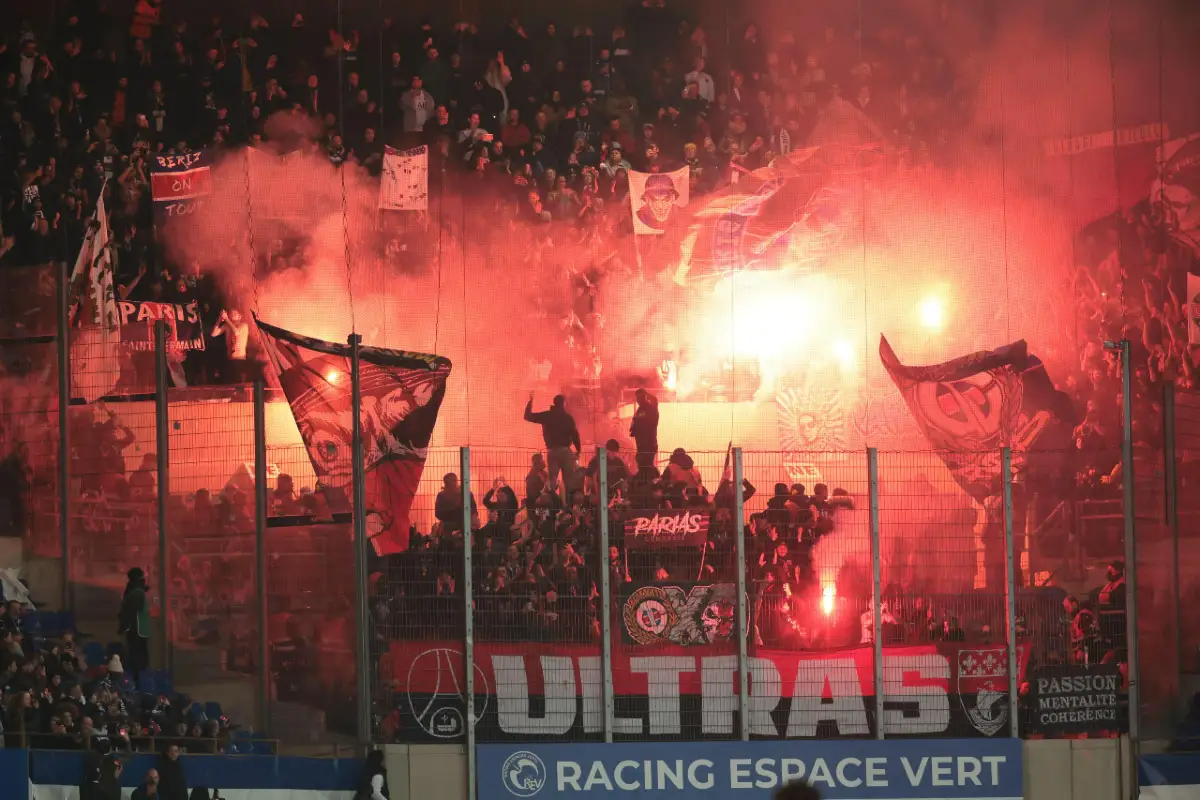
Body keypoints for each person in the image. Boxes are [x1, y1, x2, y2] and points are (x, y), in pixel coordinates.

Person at [523, 393, 581, 494]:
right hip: (566, 452)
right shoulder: (568, 418)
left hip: (552, 452)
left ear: (554, 403)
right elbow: (575, 435)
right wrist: (578, 450)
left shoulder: (547, 416)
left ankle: (553, 505)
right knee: (569, 481)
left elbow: (528, 416)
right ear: (564, 404)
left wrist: (530, 402)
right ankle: (569, 505)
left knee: (552, 482)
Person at [118, 567, 150, 683]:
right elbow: (130, 612)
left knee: (138, 658)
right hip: (138, 632)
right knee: (139, 660)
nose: (144, 580)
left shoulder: (133, 591)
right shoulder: (137, 594)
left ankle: (138, 680)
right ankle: (138, 682)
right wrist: (124, 627)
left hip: (137, 632)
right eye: (142, 577)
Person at [629, 388, 659, 469]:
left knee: (647, 466)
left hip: (649, 444)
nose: (638, 400)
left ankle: (650, 479)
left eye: (640, 397)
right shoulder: (639, 410)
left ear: (645, 397)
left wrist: (646, 393)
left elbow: (655, 400)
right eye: (637, 398)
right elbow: (634, 423)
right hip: (641, 445)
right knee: (642, 465)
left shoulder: (651, 408)